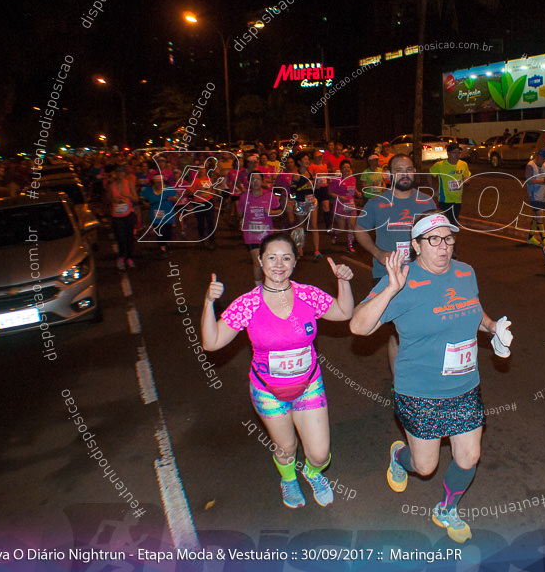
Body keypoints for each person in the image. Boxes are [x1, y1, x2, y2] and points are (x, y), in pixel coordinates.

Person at [349, 212, 513, 544]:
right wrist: (390, 289)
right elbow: (358, 326)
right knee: (424, 467)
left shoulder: (465, 271)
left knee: (469, 456)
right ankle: (399, 455)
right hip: (419, 390)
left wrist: (493, 327)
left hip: (464, 386)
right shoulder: (402, 279)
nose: (444, 247)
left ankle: (446, 508)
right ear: (415, 245)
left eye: (448, 238)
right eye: (433, 239)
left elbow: (473, 308)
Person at [202, 232, 354, 508]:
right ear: (261, 261)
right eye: (271, 257)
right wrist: (209, 304)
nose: (279, 264)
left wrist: (343, 282)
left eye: (286, 258)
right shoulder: (248, 303)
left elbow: (344, 313)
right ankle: (288, 479)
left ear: (295, 263)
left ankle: (312, 473)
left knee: (319, 454)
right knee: (286, 448)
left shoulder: (307, 294)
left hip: (309, 386)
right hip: (267, 391)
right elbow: (211, 343)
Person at [354, 154, 436, 373]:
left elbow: (436, 233)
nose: (405, 173)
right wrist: (377, 252)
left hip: (421, 275)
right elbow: (359, 229)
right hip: (387, 277)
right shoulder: (376, 203)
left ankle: (422, 374)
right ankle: (399, 383)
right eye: (399, 169)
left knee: (424, 328)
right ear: (389, 174)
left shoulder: (426, 202)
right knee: (398, 332)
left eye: (409, 169)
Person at [238, 172, 284, 284]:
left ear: (262, 181)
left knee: (268, 262)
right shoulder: (244, 197)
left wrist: (271, 212)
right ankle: (258, 288)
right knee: (257, 262)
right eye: (252, 179)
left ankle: (270, 285)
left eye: (258, 179)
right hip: (251, 235)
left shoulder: (270, 196)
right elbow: (240, 213)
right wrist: (242, 220)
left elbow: (280, 211)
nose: (255, 182)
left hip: (267, 234)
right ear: (249, 182)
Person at [107, 165, 139, 270]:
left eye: (122, 172)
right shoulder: (112, 185)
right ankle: (121, 257)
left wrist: (128, 195)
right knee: (120, 237)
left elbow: (136, 199)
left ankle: (129, 257)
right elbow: (108, 199)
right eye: (118, 172)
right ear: (115, 174)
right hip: (117, 216)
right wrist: (113, 200)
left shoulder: (129, 184)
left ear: (125, 173)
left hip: (128, 214)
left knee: (129, 237)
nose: (120, 174)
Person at [430, 143, 471, 225]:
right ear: (448, 153)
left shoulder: (463, 164)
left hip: (457, 200)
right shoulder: (440, 165)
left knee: (454, 224)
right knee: (444, 224)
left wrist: (467, 181)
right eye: (454, 153)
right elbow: (429, 175)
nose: (457, 155)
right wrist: (433, 189)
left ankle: (451, 237)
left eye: (458, 153)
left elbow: (468, 179)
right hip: (444, 200)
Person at [140, 174, 180, 257]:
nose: (159, 184)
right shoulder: (148, 190)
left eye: (160, 182)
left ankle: (166, 244)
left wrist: (173, 199)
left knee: (167, 231)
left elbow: (177, 197)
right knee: (159, 231)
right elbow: (141, 198)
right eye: (157, 182)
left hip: (168, 215)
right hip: (156, 215)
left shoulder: (169, 189)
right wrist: (145, 203)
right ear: (153, 182)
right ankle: (162, 248)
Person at [328, 159, 359, 253]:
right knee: (341, 227)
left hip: (350, 204)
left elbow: (353, 189)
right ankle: (335, 234)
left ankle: (349, 245)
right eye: (344, 167)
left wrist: (357, 192)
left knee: (351, 225)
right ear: (341, 169)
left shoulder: (353, 179)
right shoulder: (337, 181)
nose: (346, 169)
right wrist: (339, 197)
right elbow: (329, 192)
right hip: (340, 206)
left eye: (348, 167)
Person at [524, 149, 545, 246]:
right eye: (544, 158)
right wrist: (543, 181)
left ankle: (530, 237)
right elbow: (529, 180)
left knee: (536, 216)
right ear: (538, 156)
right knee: (540, 215)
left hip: (541, 194)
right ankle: (543, 239)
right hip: (533, 195)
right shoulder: (531, 166)